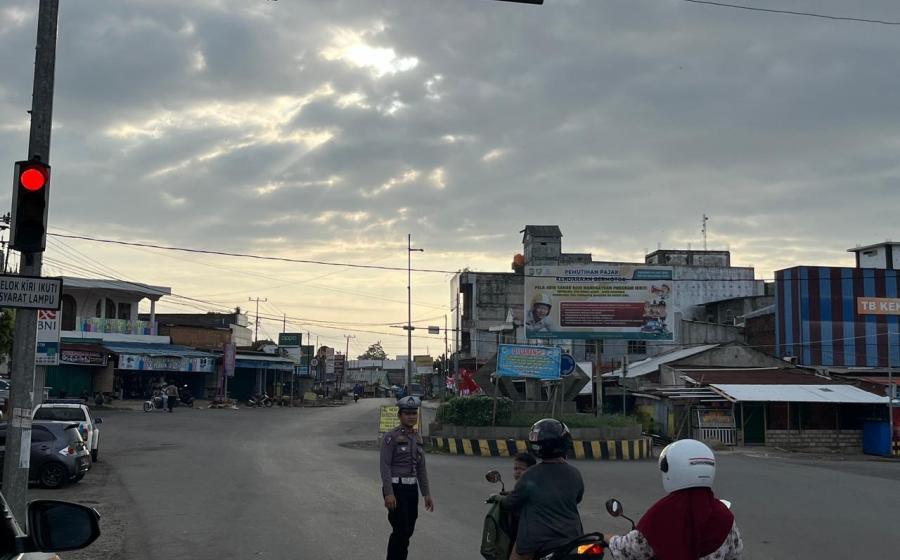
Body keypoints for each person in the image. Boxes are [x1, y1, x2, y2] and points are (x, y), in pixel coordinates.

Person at [605, 439, 744, 560]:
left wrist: (609, 539)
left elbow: (629, 552)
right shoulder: (724, 515)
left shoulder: (661, 514)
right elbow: (735, 553)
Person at [491, 419, 584, 560]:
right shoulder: (574, 473)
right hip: (571, 537)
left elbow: (511, 503)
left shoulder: (530, 475)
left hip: (535, 540)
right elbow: (577, 498)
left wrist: (498, 498)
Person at [380, 396, 434, 560]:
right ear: (400, 415)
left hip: (411, 490)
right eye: (407, 413)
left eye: (414, 413)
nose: (411, 416)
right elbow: (385, 466)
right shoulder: (391, 437)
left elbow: (421, 468)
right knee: (401, 529)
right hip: (396, 489)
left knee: (408, 530)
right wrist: (389, 493)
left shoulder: (417, 439)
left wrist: (426, 494)